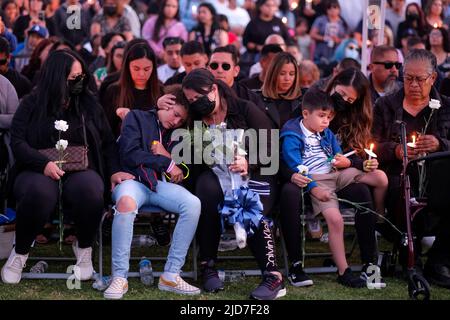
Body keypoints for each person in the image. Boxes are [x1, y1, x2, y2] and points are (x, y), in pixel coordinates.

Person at [1, 49, 133, 284]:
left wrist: (114, 170)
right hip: (35, 169)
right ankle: (20, 251)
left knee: (91, 189)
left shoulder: (88, 104)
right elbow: (18, 142)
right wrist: (42, 163)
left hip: (80, 168)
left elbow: (107, 143)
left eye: (81, 76)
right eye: (74, 78)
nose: (79, 82)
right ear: (56, 77)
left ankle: (83, 247)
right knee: (40, 192)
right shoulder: (32, 103)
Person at [181, 68, 286, 300]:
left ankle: (273, 275)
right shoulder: (195, 119)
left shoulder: (245, 109)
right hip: (218, 176)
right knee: (205, 191)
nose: (196, 104)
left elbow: (270, 147)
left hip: (256, 173)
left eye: (200, 98)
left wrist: (249, 161)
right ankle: (208, 265)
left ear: (214, 89)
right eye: (191, 101)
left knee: (250, 203)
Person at [103, 85, 201, 299]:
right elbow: (130, 154)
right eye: (175, 114)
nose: (176, 121)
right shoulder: (136, 117)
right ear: (166, 103)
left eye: (180, 120)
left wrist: (171, 160)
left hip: (158, 185)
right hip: (132, 180)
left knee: (193, 204)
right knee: (126, 203)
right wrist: (166, 162)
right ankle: (119, 277)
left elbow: (184, 171)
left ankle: (171, 274)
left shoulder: (178, 133)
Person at [372, 49, 450, 288]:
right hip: (397, 176)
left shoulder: (445, 106)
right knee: (401, 191)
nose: (413, 84)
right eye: (408, 78)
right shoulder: (386, 106)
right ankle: (410, 259)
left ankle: (438, 260)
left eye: (420, 79)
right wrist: (396, 150)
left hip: (438, 176)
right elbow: (371, 144)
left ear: (433, 78)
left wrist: (440, 144)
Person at [281, 87, 369, 288]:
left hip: (335, 174)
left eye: (329, 117)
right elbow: (296, 166)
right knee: (335, 219)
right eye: (322, 116)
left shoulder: (325, 132)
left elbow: (335, 153)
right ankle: (343, 270)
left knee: (377, 177)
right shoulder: (292, 135)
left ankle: (380, 211)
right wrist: (313, 187)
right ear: (305, 113)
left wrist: (341, 159)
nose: (326, 121)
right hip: (318, 180)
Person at [102, 41, 161, 138]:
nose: (141, 74)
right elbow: (106, 130)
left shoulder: (160, 90)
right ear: (127, 67)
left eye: (146, 69)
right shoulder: (114, 91)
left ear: (153, 68)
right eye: (136, 69)